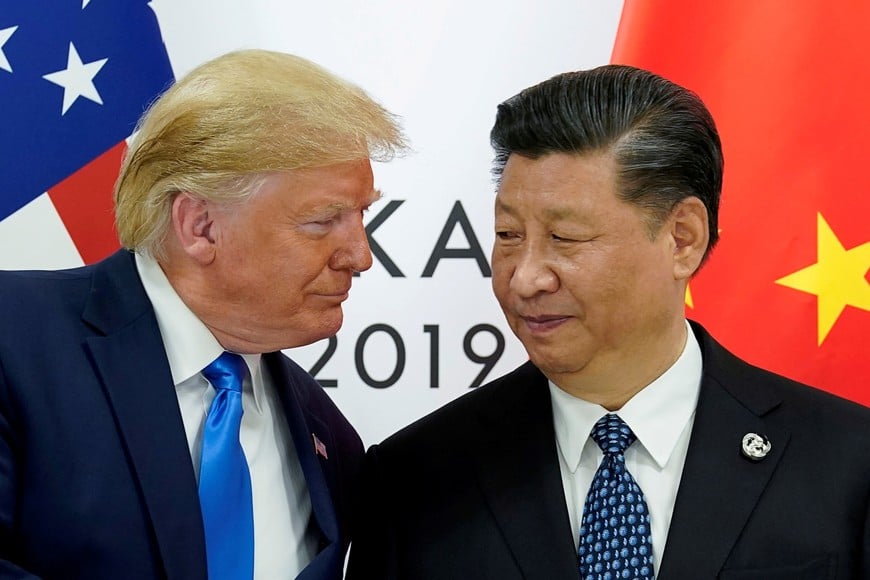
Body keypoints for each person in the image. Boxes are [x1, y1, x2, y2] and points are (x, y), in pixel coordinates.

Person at [346, 65, 870, 579]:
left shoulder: (848, 463)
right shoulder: (415, 478)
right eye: (508, 235)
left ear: (682, 238)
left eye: (565, 238)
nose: (524, 279)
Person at [0, 49, 406, 580]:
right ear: (200, 226)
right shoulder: (14, 340)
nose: (361, 255)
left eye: (361, 216)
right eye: (324, 221)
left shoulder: (329, 434)